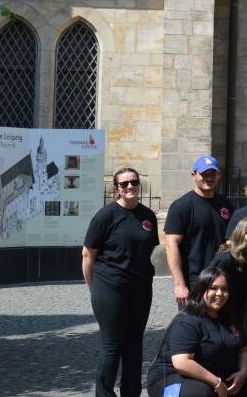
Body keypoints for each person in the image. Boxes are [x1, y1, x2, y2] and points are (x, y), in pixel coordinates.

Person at [83, 167, 158, 397]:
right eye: (123, 184)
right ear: (116, 189)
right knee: (112, 346)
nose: (129, 187)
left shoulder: (148, 216)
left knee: (134, 346)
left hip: (141, 288)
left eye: (133, 182)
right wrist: (94, 287)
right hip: (110, 286)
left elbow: (146, 250)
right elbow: (88, 255)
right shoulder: (106, 216)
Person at [146, 267, 247, 397]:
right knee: (200, 393)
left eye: (225, 289)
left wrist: (243, 372)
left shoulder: (230, 318)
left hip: (210, 376)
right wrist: (217, 383)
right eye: (213, 288)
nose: (220, 293)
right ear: (201, 290)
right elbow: (182, 363)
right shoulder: (187, 321)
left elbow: (244, 350)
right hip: (172, 377)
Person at [165, 155, 235, 306]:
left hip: (222, 280)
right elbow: (171, 245)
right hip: (194, 281)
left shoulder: (226, 205)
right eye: (204, 173)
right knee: (194, 326)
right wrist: (179, 284)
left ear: (219, 175)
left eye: (213, 173)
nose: (209, 178)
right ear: (193, 175)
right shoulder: (181, 206)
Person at [207, 218, 247, 326]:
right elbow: (208, 291)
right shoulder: (226, 259)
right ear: (239, 235)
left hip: (243, 314)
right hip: (220, 314)